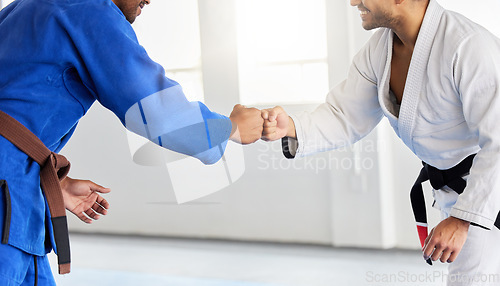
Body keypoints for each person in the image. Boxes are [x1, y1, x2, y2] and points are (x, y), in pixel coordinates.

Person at [0, 0, 263, 284]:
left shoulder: (25, 8)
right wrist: (231, 128)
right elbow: (155, 109)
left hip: (16, 189)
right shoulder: (89, 10)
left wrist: (50, 182)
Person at [261, 0, 500, 285]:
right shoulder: (379, 51)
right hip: (459, 194)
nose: (353, 2)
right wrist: (293, 126)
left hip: (487, 195)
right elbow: (345, 115)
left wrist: (464, 219)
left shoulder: (468, 46)